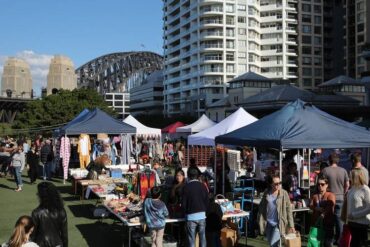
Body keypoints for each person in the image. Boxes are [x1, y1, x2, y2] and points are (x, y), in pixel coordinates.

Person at [257, 174, 295, 247]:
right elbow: (261, 207)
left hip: (279, 223)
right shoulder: (267, 193)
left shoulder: (284, 193)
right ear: (271, 184)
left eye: (280, 183)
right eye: (276, 183)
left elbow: (289, 210)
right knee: (273, 244)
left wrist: (291, 225)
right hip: (268, 223)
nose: (278, 185)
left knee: (273, 244)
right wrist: (260, 219)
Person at [321, 152, 349, 244]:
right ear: (338, 161)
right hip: (340, 198)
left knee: (329, 219)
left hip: (329, 198)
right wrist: (343, 193)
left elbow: (321, 184)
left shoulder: (325, 170)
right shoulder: (344, 170)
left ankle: (329, 239)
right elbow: (347, 185)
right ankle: (339, 239)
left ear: (329, 160)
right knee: (339, 220)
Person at [31, 182, 68, 247]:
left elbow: (33, 235)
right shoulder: (61, 210)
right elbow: (64, 235)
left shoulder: (36, 213)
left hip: (40, 244)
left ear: (40, 195)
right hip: (57, 244)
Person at [341, 168, 370, 247]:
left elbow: (369, 208)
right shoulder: (352, 189)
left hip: (361, 224)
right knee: (353, 243)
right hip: (351, 223)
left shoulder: (365, 189)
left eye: (352, 176)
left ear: (358, 176)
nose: (350, 178)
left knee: (360, 243)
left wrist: (354, 215)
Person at [182, 167, 209, 247]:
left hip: (191, 216)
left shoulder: (186, 187)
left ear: (188, 176)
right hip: (202, 215)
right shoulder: (203, 186)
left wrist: (185, 213)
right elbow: (207, 201)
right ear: (198, 176)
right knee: (203, 238)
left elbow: (184, 204)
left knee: (191, 240)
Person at [310, 174, 336, 247]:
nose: (320, 186)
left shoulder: (330, 195)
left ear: (327, 185)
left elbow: (330, 206)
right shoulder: (315, 196)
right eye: (318, 184)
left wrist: (323, 213)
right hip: (317, 223)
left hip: (328, 223)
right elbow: (311, 205)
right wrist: (316, 208)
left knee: (327, 244)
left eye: (322, 184)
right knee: (316, 244)